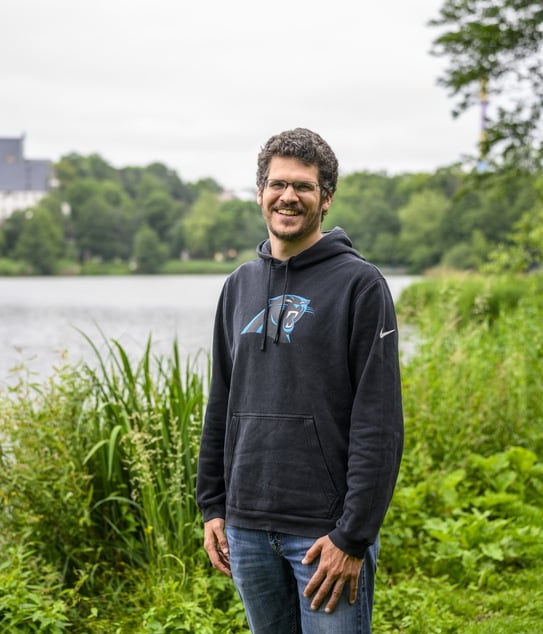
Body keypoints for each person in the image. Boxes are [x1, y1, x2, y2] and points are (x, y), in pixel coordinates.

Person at [196, 128, 404, 633]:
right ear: (261, 192)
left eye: (304, 187)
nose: (288, 196)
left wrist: (352, 536)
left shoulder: (360, 285)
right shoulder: (239, 285)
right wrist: (212, 506)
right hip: (246, 527)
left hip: (322, 533)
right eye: (277, 184)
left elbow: (378, 423)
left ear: (325, 197)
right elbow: (222, 400)